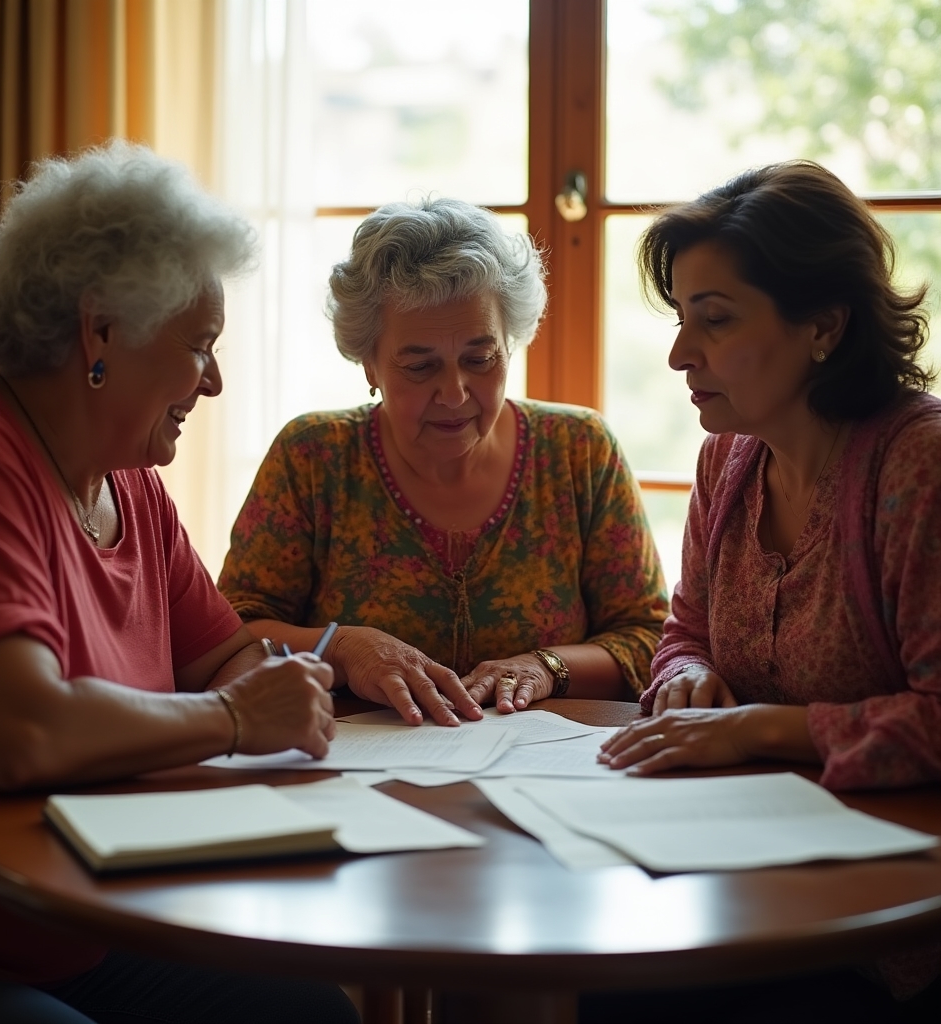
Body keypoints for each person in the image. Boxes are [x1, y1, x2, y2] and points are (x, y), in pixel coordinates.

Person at [0, 143, 356, 1024]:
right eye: (200, 346)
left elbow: (220, 652)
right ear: (101, 330)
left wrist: (283, 680)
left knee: (311, 1012)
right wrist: (236, 719)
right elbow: (15, 734)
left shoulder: (130, 482)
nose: (217, 380)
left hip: (92, 920)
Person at [594, 160, 940, 1010]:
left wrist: (760, 732)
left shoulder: (918, 466)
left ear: (824, 325)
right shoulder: (728, 458)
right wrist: (685, 679)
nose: (679, 353)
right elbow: (685, 632)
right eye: (679, 318)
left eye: (713, 320)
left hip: (891, 920)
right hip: (743, 875)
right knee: (612, 979)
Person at [218, 197, 667, 726]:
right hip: (356, 770)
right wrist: (341, 646)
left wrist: (546, 666)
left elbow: (648, 636)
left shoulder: (578, 450)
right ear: (371, 363)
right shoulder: (314, 457)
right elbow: (233, 629)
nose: (454, 394)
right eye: (419, 366)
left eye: (480, 359)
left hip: (544, 768)